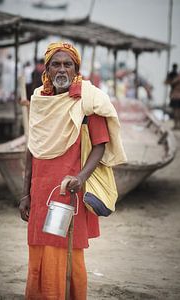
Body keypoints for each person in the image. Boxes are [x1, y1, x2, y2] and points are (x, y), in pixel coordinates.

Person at [19, 41, 127, 299]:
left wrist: (81, 177)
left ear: (76, 69)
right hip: (39, 191)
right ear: (47, 69)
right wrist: (25, 192)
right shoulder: (39, 100)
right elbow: (32, 147)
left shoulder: (88, 101)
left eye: (68, 64)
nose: (62, 69)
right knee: (38, 247)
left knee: (63, 251)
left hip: (67, 191)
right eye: (56, 64)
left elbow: (100, 145)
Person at [168, 65, 180, 130]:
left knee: (176, 111)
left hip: (176, 96)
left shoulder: (179, 77)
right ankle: (179, 125)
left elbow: (171, 83)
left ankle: (176, 125)